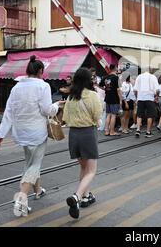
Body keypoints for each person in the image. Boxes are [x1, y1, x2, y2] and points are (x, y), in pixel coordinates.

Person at [0, 56, 61, 217]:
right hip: (37, 132)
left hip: (21, 132)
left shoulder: (16, 87)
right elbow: (47, 110)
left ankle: (38, 190)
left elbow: (9, 112)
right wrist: (56, 106)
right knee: (34, 165)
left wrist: (0, 133)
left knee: (30, 161)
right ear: (40, 71)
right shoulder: (43, 86)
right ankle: (21, 200)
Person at [63, 68, 102, 219]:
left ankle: (85, 197)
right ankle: (77, 196)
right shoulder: (92, 95)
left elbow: (65, 118)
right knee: (91, 170)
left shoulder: (71, 97)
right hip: (87, 133)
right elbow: (97, 115)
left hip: (74, 135)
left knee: (83, 167)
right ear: (88, 80)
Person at [134, 69, 159, 138]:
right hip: (149, 99)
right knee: (150, 115)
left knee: (139, 115)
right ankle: (148, 132)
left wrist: (137, 97)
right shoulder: (153, 77)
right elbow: (157, 89)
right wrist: (156, 96)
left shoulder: (139, 77)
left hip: (140, 98)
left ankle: (138, 130)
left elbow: (135, 90)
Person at [98, 65, 123, 136]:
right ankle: (112, 131)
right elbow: (118, 90)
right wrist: (121, 100)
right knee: (113, 115)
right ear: (115, 69)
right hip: (114, 98)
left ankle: (106, 131)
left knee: (108, 114)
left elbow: (99, 85)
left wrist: (105, 89)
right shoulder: (116, 78)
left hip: (107, 98)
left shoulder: (106, 77)